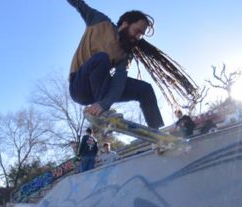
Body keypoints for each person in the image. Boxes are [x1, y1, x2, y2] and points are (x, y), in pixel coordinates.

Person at [66, 0, 198, 129]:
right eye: (137, 31)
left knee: (145, 89)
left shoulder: (126, 53)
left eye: (141, 35)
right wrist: (104, 105)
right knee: (102, 58)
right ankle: (102, 111)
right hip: (79, 86)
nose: (138, 37)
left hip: (100, 88)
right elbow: (79, 4)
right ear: (125, 24)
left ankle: (157, 133)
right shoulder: (100, 21)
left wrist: (106, 102)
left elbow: (119, 81)